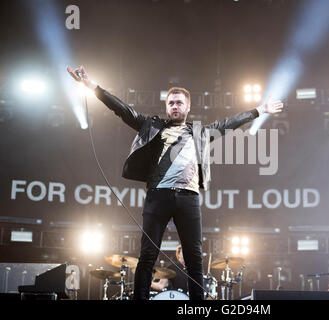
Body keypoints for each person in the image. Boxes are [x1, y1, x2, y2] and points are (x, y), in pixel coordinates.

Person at [67, 65, 283, 300]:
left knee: (194, 259)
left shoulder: (201, 132)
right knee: (147, 255)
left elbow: (229, 123)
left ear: (188, 107)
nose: (175, 106)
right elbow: (123, 110)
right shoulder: (152, 127)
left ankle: (197, 306)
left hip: (188, 198)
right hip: (158, 196)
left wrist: (260, 110)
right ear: (166, 106)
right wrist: (91, 86)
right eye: (171, 103)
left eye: (179, 103)